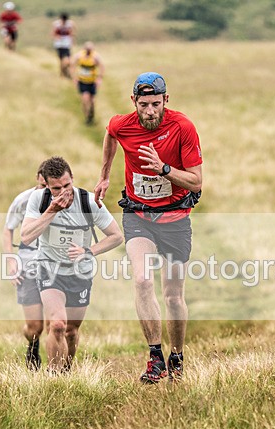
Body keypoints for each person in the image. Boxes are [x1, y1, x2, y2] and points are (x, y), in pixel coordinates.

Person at [93, 72, 203, 384]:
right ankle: (155, 356)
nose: (150, 111)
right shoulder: (123, 124)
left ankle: (177, 355)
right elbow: (110, 134)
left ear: (166, 100)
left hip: (175, 218)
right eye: (144, 105)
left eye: (156, 104)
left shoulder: (183, 127)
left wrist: (164, 170)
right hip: (138, 215)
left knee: (172, 296)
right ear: (134, 102)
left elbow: (196, 181)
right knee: (142, 280)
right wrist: (104, 176)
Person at [21, 156, 123, 373]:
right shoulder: (38, 199)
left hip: (80, 272)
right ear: (47, 186)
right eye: (57, 188)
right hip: (49, 268)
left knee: (71, 330)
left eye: (67, 185)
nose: (64, 191)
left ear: (73, 179)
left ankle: (66, 370)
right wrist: (52, 211)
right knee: (57, 324)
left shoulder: (88, 202)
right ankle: (53, 378)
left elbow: (116, 236)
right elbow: (26, 237)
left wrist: (88, 251)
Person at [3, 163, 47, 370]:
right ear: (38, 177)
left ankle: (60, 367)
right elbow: (8, 229)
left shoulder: (66, 199)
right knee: (35, 326)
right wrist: (10, 261)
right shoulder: (23, 200)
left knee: (58, 323)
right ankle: (32, 345)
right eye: (45, 182)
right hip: (28, 263)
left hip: (56, 266)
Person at [73, 41, 104, 125]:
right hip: (83, 81)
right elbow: (73, 65)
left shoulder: (95, 56)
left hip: (92, 81)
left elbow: (101, 66)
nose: (88, 51)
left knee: (92, 101)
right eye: (87, 49)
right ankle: (87, 117)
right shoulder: (79, 56)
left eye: (90, 50)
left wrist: (99, 79)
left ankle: (91, 115)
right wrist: (75, 78)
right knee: (85, 99)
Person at [52, 12, 75, 78]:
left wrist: (72, 41)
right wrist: (57, 37)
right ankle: (62, 73)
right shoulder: (56, 24)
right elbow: (53, 33)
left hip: (66, 44)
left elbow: (72, 33)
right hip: (59, 44)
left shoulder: (69, 24)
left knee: (68, 60)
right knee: (61, 60)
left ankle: (65, 73)